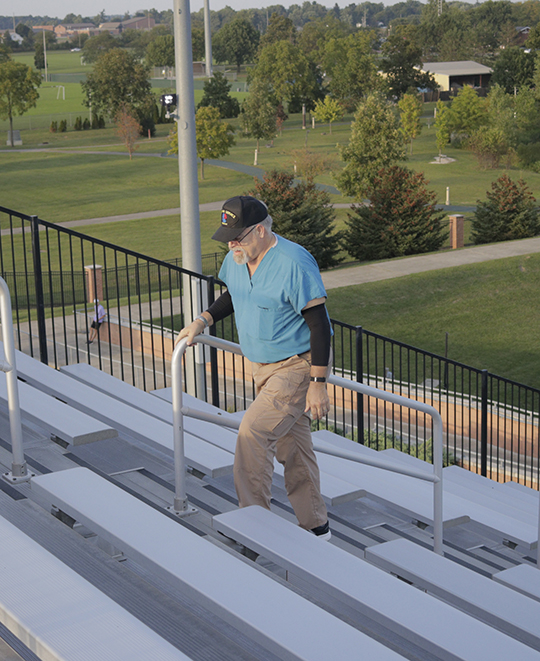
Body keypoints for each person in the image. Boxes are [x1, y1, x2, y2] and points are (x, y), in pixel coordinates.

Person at [176, 195, 332, 539]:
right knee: (295, 448)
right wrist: (202, 320)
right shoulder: (238, 258)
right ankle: (317, 525)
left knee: (253, 434)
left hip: (294, 367)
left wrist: (318, 383)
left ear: (260, 231)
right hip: (260, 368)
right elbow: (235, 293)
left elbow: (320, 324)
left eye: (238, 236)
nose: (231, 243)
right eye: (228, 237)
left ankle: (255, 525)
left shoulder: (293, 263)